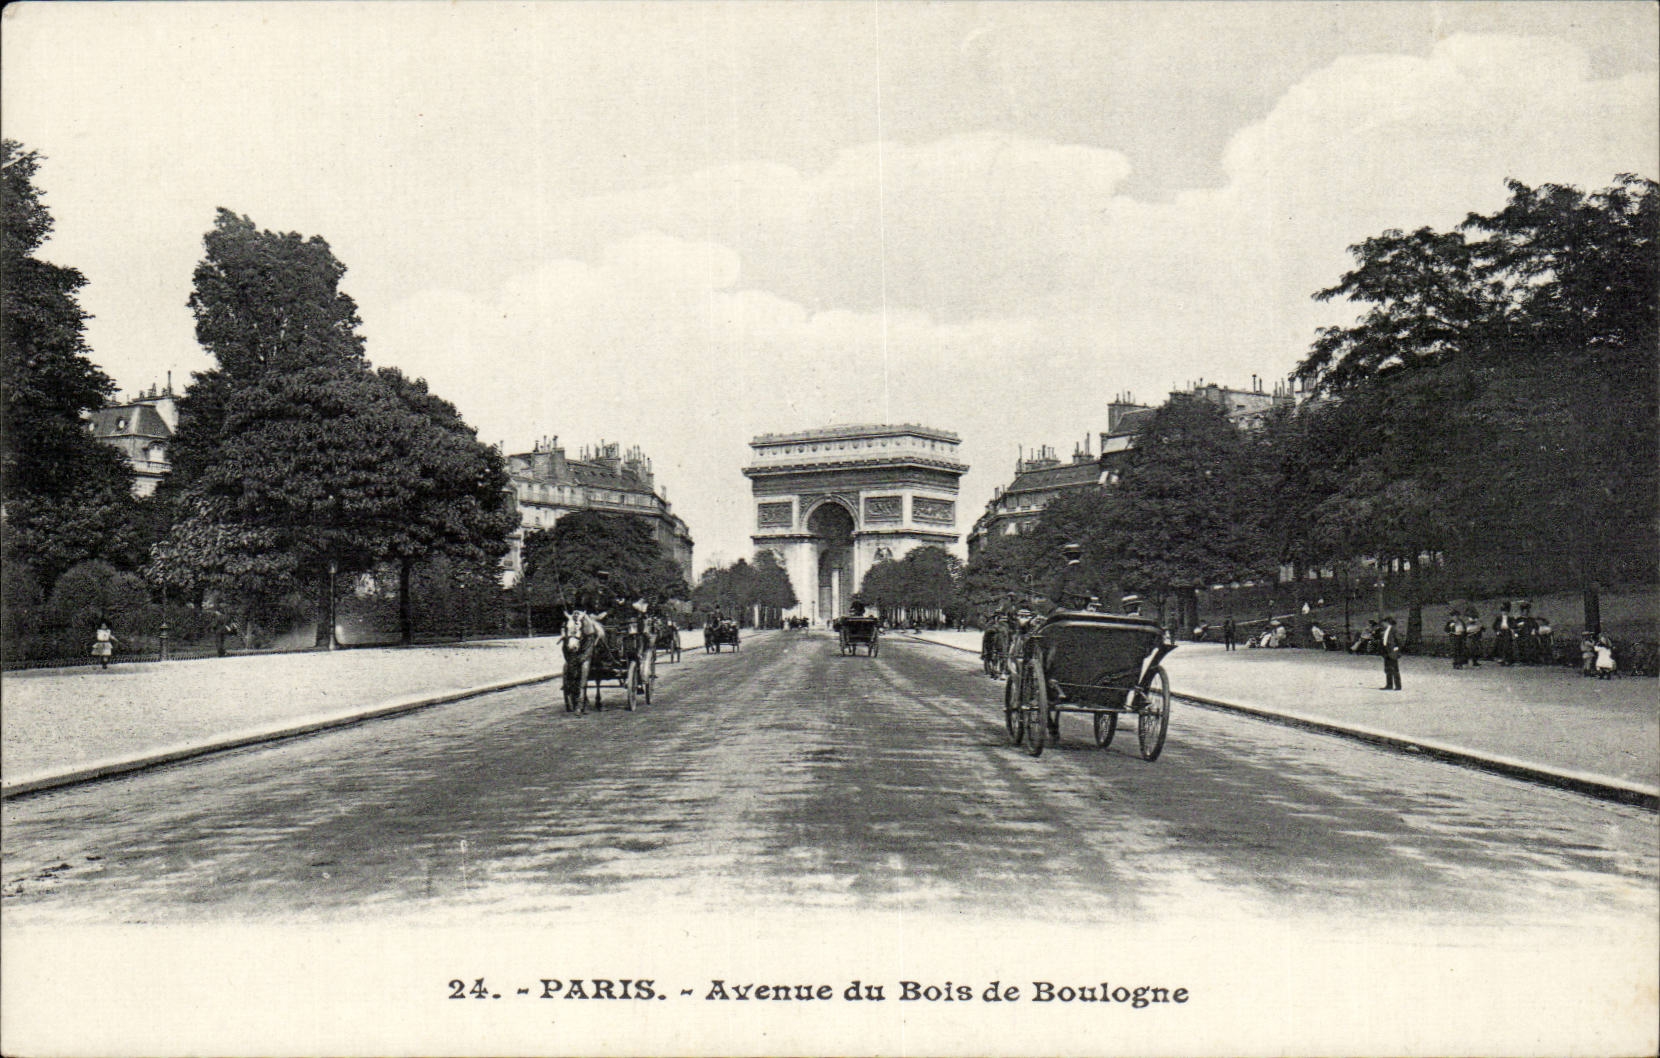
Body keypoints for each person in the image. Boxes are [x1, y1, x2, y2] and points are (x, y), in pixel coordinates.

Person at [1378, 616, 1403, 690]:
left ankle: (1398, 686)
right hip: (1386, 652)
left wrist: (1396, 649)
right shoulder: (1385, 630)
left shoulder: (1393, 630)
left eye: (1383, 623)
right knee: (1387, 669)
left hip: (1392, 652)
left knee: (1395, 669)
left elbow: (1399, 640)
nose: (1382, 625)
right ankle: (1389, 685)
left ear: (1387, 623)